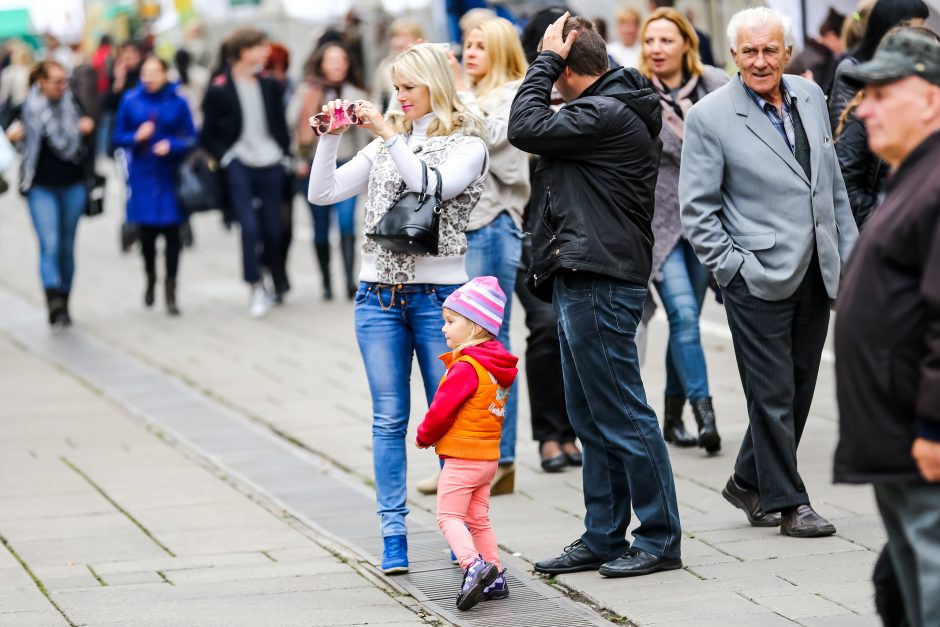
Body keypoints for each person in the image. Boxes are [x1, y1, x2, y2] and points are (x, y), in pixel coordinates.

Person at [509, 12, 682, 578]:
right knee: (589, 414)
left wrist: (543, 61)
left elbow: (524, 126)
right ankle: (603, 535)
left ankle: (659, 538)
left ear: (565, 64)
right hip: (581, 274)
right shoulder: (604, 107)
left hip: (601, 277)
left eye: (552, 63)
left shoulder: (603, 111)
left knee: (623, 412)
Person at [308, 44, 488, 575]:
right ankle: (393, 537)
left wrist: (389, 137)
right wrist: (332, 138)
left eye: (409, 87)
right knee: (388, 419)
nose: (399, 97)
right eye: (396, 87)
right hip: (377, 297)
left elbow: (431, 186)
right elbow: (324, 193)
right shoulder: (387, 144)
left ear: (434, 84)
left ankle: (467, 538)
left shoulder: (466, 144)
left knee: (450, 420)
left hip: (440, 304)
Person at [679, 7, 858, 537]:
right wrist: (735, 267)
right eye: (750, 51)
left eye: (770, 50)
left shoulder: (810, 96)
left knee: (800, 387)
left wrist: (850, 256)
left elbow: (831, 189)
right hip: (755, 275)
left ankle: (746, 479)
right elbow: (698, 212)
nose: (761, 61)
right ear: (733, 55)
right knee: (771, 392)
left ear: (786, 52)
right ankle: (789, 502)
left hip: (817, 268)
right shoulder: (709, 116)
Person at [833, 29, 940, 627]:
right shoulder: (915, 173)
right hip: (899, 438)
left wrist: (932, 422)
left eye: (881, 92)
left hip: (923, 440)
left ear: (930, 99)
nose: (863, 107)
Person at [639, 7, 728, 452]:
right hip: (660, 223)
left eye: (666, 40)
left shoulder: (715, 86)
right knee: (683, 317)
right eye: (650, 41)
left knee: (684, 323)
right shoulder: (635, 92)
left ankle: (672, 416)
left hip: (706, 221)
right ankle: (704, 414)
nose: (656, 49)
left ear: (686, 45)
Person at [452, 16, 531, 492]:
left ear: (500, 50)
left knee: (489, 345)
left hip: (495, 226)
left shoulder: (516, 94)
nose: (471, 52)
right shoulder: (471, 96)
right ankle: (476, 454)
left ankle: (499, 458)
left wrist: (456, 92)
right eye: (467, 45)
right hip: (464, 232)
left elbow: (496, 143)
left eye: (481, 45)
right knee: (468, 347)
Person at [415, 276, 518, 610]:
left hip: (462, 457)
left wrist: (424, 436)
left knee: (448, 517)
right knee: (478, 519)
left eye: (450, 321)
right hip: (488, 458)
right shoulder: (495, 366)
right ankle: (496, 575)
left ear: (474, 327)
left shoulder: (467, 366)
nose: (443, 328)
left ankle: (473, 566)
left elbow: (441, 409)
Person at [201, 28, 291, 317]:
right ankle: (254, 284)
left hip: (271, 162)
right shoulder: (219, 87)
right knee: (249, 228)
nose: (266, 51)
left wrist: (285, 156)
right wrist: (226, 157)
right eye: (260, 47)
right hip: (239, 163)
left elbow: (279, 124)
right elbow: (207, 133)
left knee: (275, 230)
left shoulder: (269, 85)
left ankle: (266, 272)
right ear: (244, 51)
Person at [112, 56, 197, 316]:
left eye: (154, 72)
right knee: (146, 235)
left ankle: (170, 288)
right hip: (142, 174)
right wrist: (136, 137)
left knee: (173, 236)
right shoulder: (130, 100)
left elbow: (192, 137)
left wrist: (172, 145)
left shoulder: (178, 101)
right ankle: (150, 276)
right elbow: (117, 136)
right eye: (145, 72)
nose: (149, 77)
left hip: (170, 175)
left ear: (165, 74)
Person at [16, 60, 95, 328]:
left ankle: (65, 297)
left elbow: (91, 144)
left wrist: (87, 131)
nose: (63, 86)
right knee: (50, 243)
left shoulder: (73, 104)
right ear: (41, 82)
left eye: (65, 80)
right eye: (56, 81)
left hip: (73, 184)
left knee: (66, 246)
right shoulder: (25, 108)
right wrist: (13, 135)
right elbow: (6, 138)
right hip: (40, 186)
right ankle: (53, 301)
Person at [289, 42, 368, 301]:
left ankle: (348, 280)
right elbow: (291, 124)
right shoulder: (307, 90)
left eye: (342, 60)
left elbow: (366, 137)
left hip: (347, 162)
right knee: (320, 227)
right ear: (321, 63)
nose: (337, 65)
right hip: (314, 165)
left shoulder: (355, 92)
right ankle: (325, 281)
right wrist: (298, 158)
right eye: (331, 60)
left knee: (346, 222)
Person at [828, 0, 929, 132]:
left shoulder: (914, 69)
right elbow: (841, 130)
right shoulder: (853, 69)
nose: (922, 37)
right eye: (916, 29)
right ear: (892, 29)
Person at [786, 8, 845, 94]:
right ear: (831, 36)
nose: (844, 46)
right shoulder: (820, 61)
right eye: (842, 40)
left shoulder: (810, 52)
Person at [373, 19, 425, 113]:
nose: (399, 42)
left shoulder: (427, 62)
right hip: (397, 120)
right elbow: (377, 100)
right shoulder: (385, 67)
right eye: (396, 36)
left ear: (418, 39)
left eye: (404, 36)